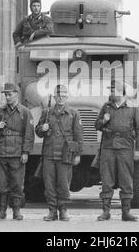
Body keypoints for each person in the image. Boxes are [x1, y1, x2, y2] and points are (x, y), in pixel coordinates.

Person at [94, 80, 139, 222]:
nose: (111, 92)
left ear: (122, 92)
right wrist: (103, 120)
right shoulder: (106, 107)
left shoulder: (133, 108)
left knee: (126, 180)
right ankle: (106, 212)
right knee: (106, 179)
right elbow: (96, 125)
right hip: (108, 147)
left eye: (114, 89)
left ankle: (126, 212)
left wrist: (138, 149)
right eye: (111, 90)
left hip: (126, 147)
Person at [35, 84, 83, 221]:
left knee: (64, 184)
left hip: (65, 154)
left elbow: (78, 135)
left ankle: (63, 210)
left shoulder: (73, 114)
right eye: (58, 95)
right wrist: (42, 128)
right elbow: (38, 131)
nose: (61, 97)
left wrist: (78, 154)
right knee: (49, 184)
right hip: (49, 154)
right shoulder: (47, 113)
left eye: (63, 94)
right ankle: (52, 211)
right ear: (54, 96)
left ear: (67, 96)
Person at [0, 83, 34, 220]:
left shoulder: (25, 112)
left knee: (17, 183)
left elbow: (29, 134)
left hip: (17, 152)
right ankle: (2, 211)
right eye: (6, 95)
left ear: (16, 94)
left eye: (10, 94)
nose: (7, 97)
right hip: (2, 152)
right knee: (2, 183)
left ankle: (16, 211)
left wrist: (25, 152)